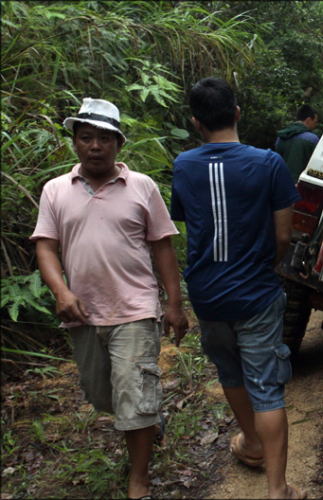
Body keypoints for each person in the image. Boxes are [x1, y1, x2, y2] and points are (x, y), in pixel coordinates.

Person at [31, 98, 189, 500]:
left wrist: (174, 303)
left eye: (104, 139)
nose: (95, 146)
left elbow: (163, 248)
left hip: (135, 309)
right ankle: (150, 420)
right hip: (83, 312)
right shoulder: (55, 191)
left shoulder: (142, 187)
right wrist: (61, 292)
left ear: (119, 143)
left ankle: (138, 481)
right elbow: (46, 247)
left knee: (133, 399)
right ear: (75, 142)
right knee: (105, 396)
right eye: (86, 138)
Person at [170, 78, 306, 499]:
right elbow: (284, 237)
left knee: (229, 372)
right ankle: (277, 489)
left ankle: (249, 443)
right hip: (256, 294)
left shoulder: (183, 165)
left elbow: (190, 225)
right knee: (266, 386)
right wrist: (267, 267)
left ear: (196, 122)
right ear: (238, 113)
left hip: (207, 295)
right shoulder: (269, 164)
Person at [275, 104, 319, 183]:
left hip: (280, 182)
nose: (314, 126)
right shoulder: (312, 139)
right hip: (300, 184)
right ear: (308, 120)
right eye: (315, 122)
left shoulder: (281, 137)